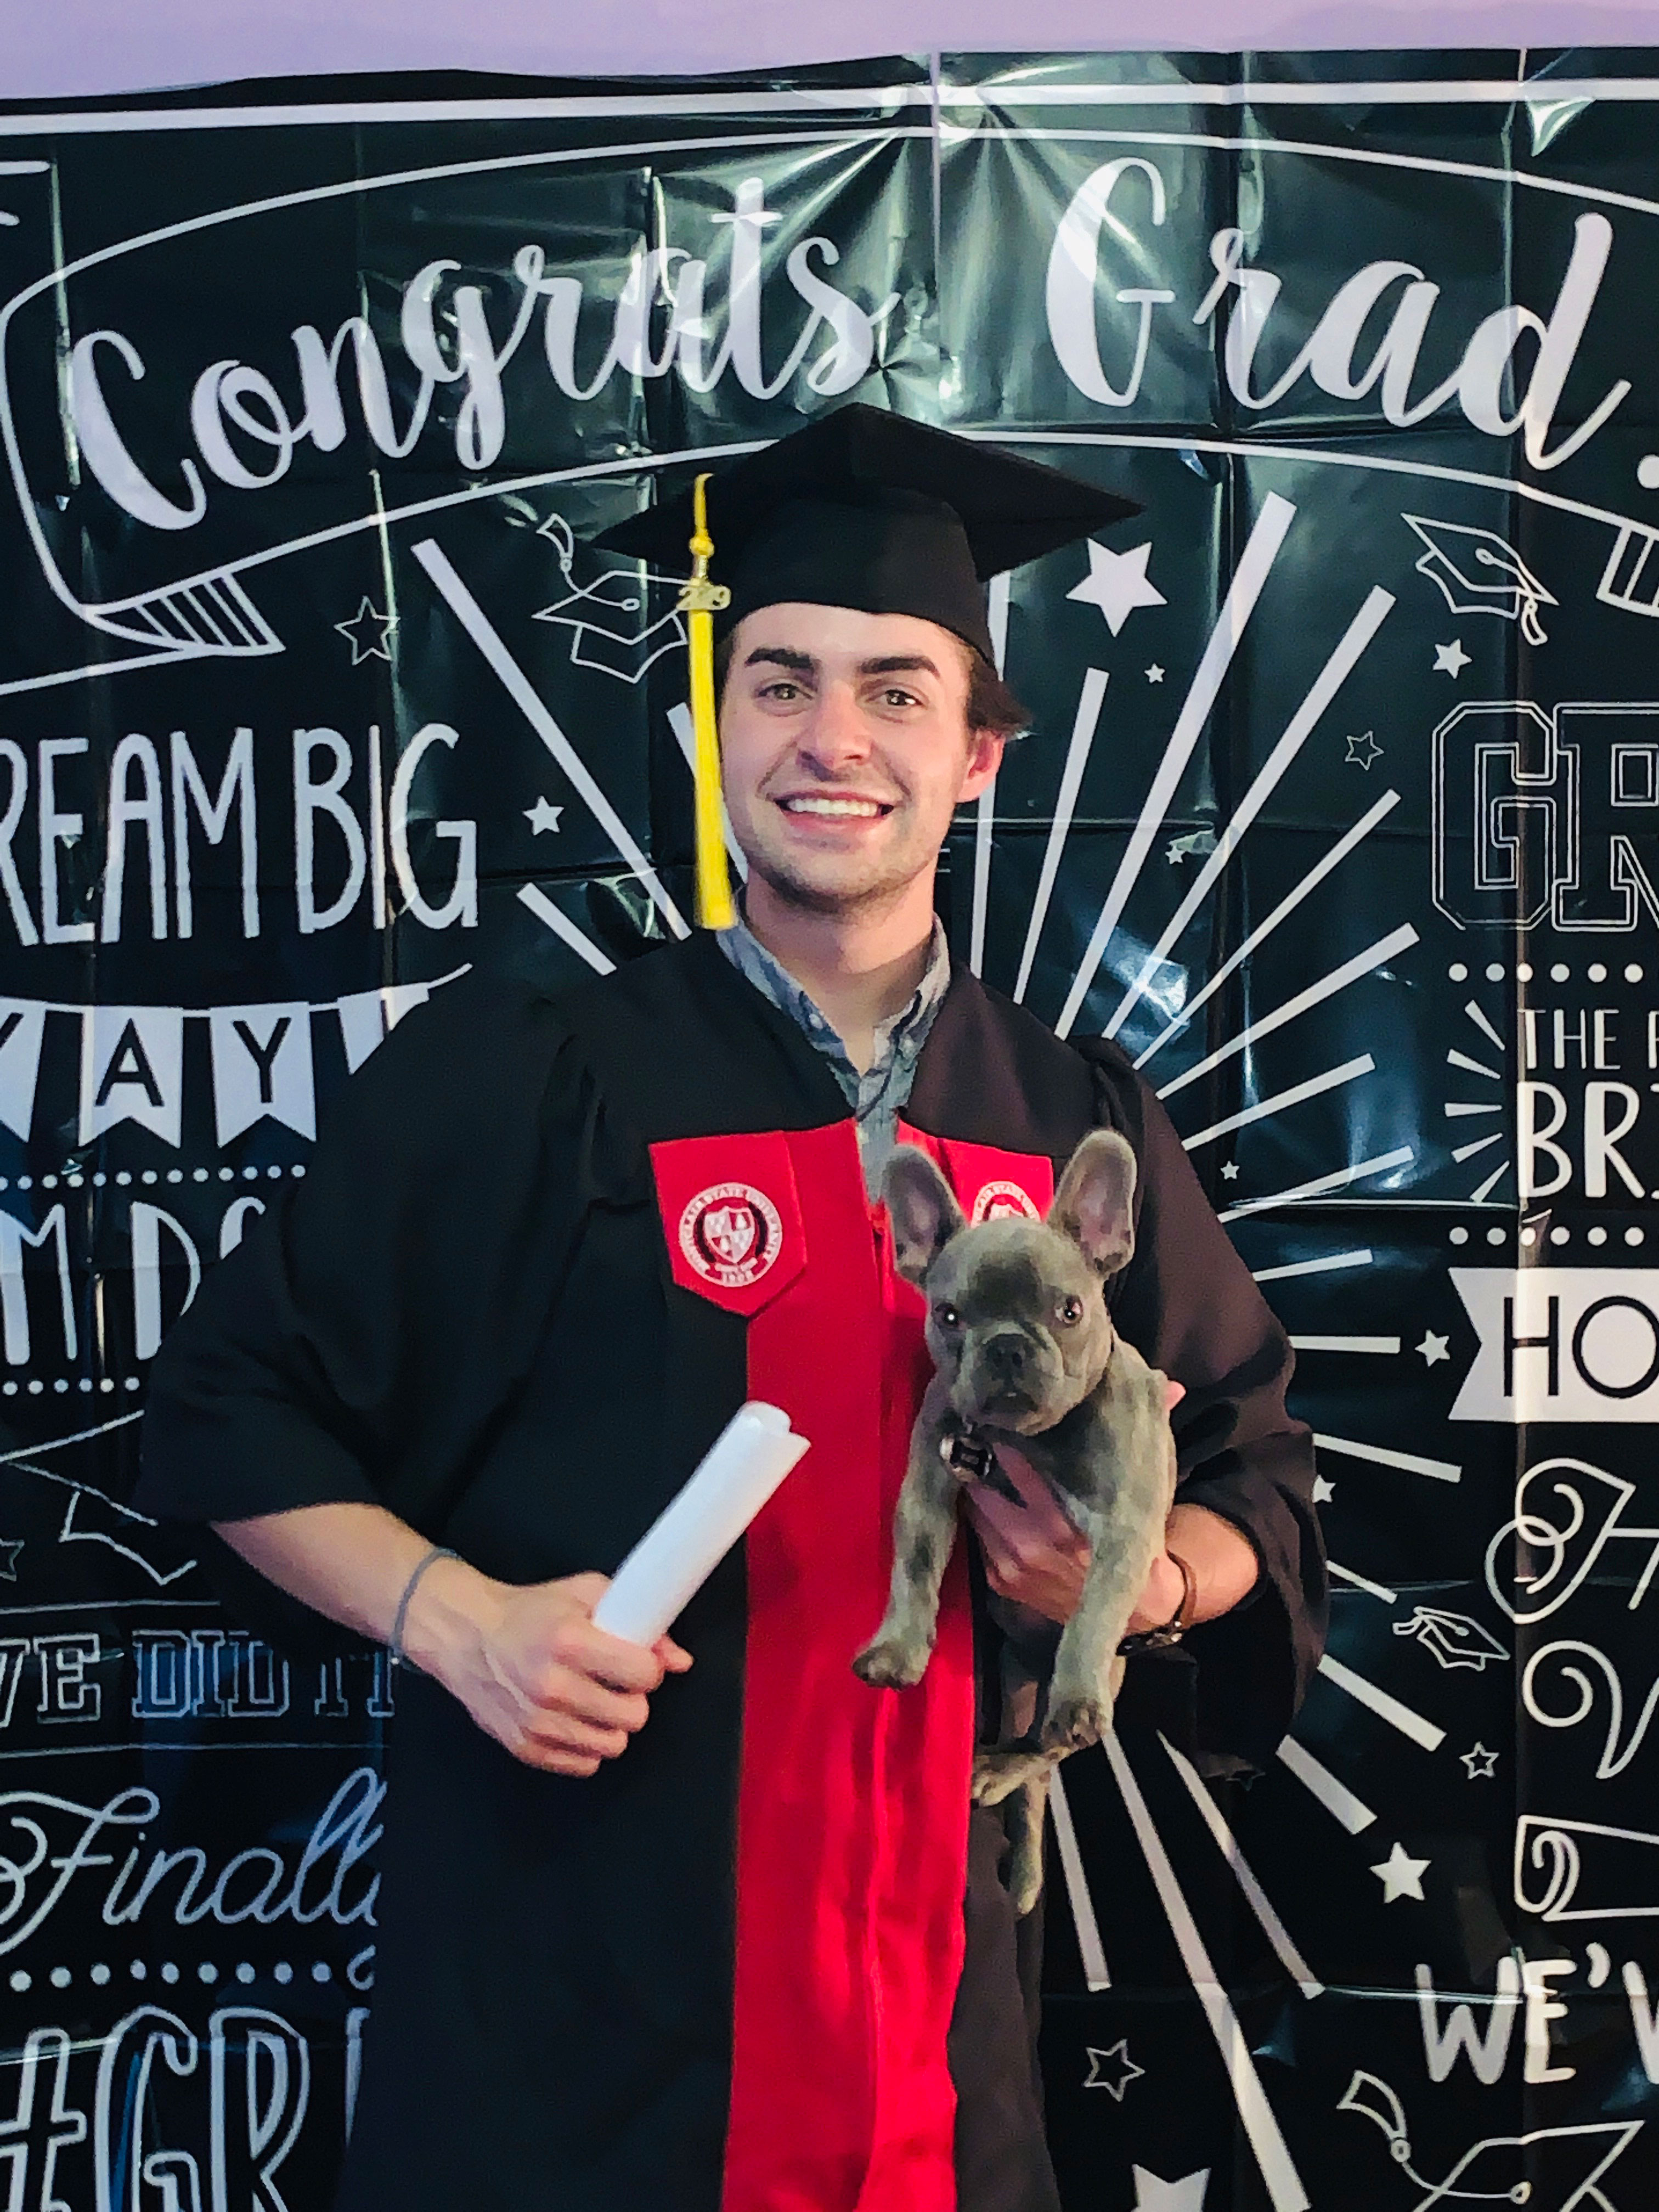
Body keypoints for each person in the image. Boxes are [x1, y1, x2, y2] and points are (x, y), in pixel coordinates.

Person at [136, 405, 1325, 2212]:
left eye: (896, 692)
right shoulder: (541, 1073)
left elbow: (1256, 1484)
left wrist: (1143, 1583)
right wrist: (454, 1622)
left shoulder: (1077, 1123)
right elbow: (233, 1409)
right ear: (713, 727)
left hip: (937, 2034)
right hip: (575, 2033)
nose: (831, 740)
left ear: (982, 753)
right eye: (778, 683)